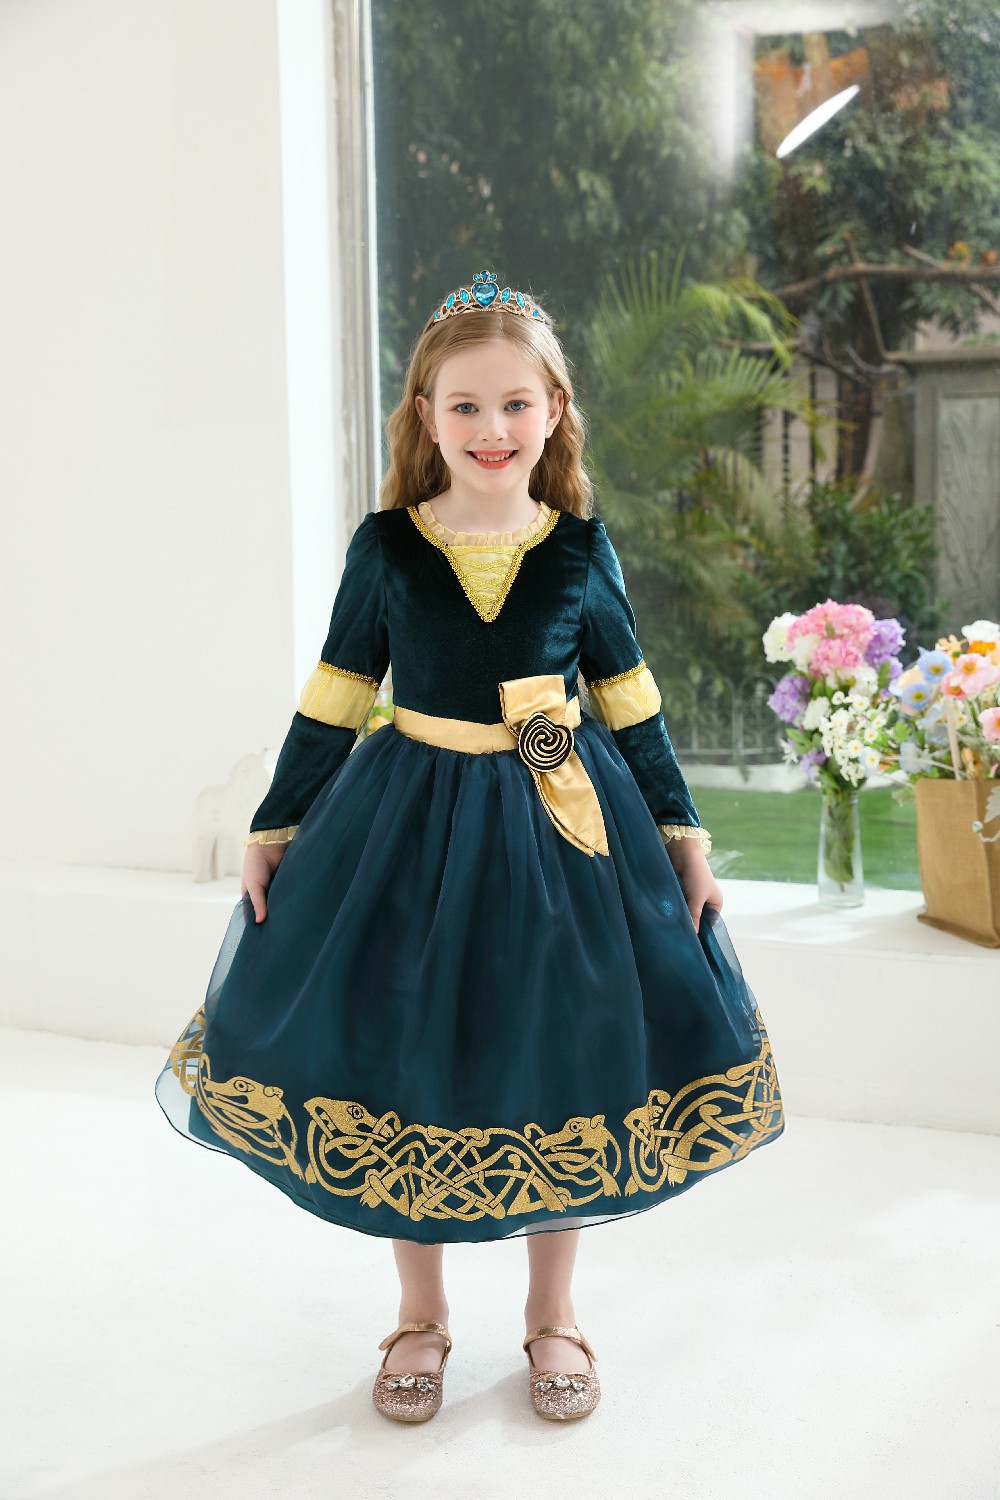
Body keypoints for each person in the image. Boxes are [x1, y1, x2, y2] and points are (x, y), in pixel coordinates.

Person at [155, 269, 786, 1425]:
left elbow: (630, 702)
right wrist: (276, 823)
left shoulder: (579, 549)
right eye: (465, 406)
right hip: (406, 826)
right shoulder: (389, 547)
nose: (491, 427)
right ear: (425, 416)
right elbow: (337, 694)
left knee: (561, 1048)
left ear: (553, 411)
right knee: (410, 1049)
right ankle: (419, 1313)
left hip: (563, 831)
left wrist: (681, 835)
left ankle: (553, 1314)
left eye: (513, 404)